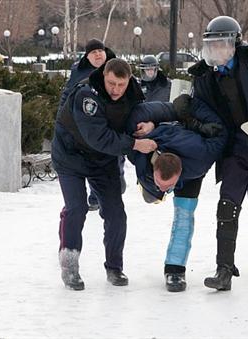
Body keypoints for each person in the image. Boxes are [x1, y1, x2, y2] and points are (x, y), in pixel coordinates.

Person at [187, 16, 248, 291]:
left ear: (235, 44)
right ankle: (224, 270)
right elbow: (199, 112)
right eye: (211, 45)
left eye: (221, 44)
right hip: (232, 149)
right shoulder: (203, 78)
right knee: (226, 206)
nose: (216, 50)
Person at [51, 58, 157, 290]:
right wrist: (134, 145)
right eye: (111, 84)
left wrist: (151, 125)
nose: (116, 90)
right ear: (104, 76)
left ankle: (114, 267)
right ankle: (69, 266)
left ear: (129, 80)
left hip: (102, 161)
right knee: (76, 208)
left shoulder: (133, 94)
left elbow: (152, 113)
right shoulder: (87, 94)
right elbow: (98, 137)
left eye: (121, 84)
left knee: (116, 213)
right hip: (71, 156)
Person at [125, 94, 227, 292]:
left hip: (190, 165)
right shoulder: (143, 152)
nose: (164, 188)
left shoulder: (200, 159)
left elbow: (220, 134)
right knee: (152, 196)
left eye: (168, 186)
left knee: (184, 216)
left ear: (178, 176)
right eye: (161, 184)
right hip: (160, 142)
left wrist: (191, 120)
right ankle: (152, 189)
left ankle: (175, 270)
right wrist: (151, 125)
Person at [57, 38, 122, 212]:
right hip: (85, 123)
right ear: (88, 56)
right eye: (94, 52)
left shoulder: (116, 67)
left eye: (100, 51)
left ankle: (113, 185)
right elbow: (67, 95)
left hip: (111, 120)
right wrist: (61, 118)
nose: (98, 54)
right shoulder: (79, 72)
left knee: (113, 156)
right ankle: (95, 196)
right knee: (92, 158)